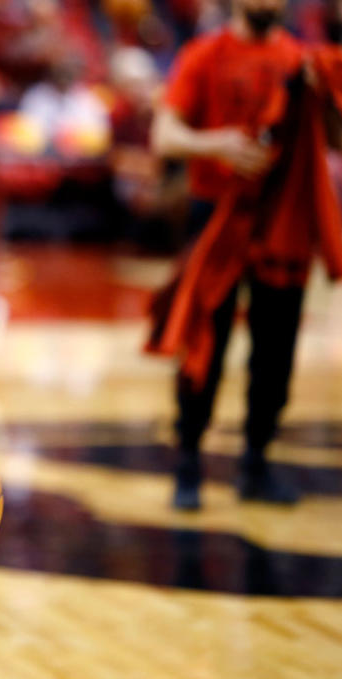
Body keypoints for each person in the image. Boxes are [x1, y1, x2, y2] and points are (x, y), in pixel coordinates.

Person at [149, 0, 342, 509]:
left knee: (276, 349)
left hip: (281, 217)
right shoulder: (203, 54)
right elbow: (163, 136)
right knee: (203, 342)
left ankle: (256, 461)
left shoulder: (304, 60)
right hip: (216, 214)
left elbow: (334, 140)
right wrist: (217, 144)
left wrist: (327, 103)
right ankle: (188, 460)